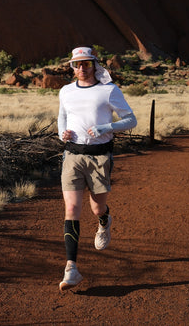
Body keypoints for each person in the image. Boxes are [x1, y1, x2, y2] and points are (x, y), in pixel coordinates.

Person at [56, 46, 137, 291]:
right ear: (72, 67)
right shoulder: (66, 91)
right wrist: (62, 133)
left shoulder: (109, 91)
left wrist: (106, 128)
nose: (81, 68)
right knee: (71, 208)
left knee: (96, 207)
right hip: (72, 155)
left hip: (100, 157)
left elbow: (131, 119)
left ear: (94, 64)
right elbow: (62, 116)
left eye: (86, 64)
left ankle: (104, 221)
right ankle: (71, 268)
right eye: (76, 64)